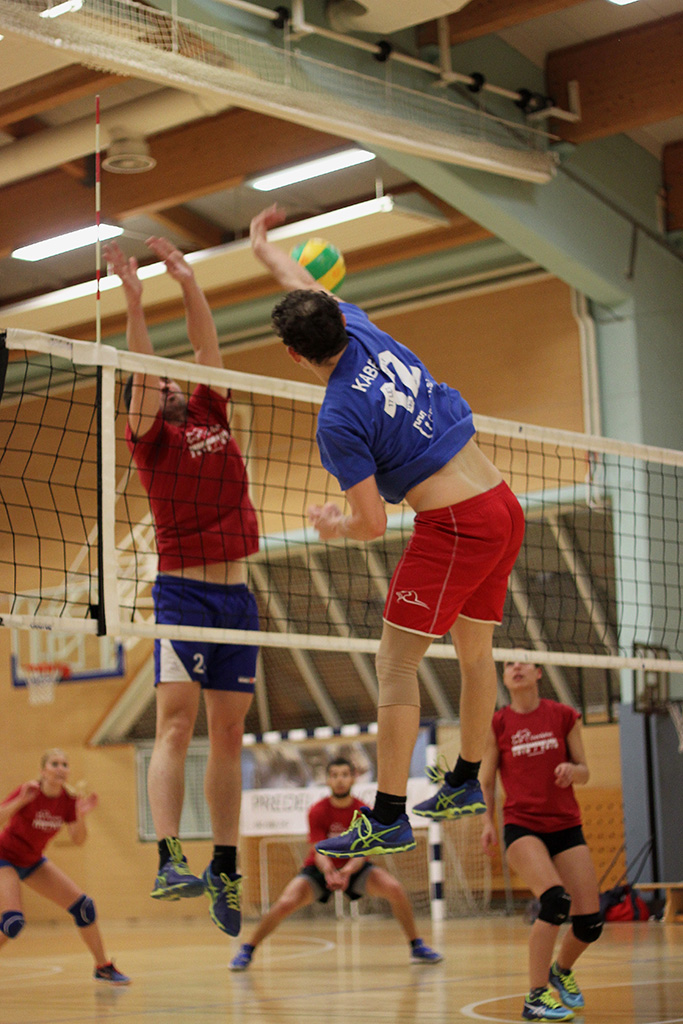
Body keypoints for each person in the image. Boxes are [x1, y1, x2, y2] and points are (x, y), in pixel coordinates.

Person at [250, 205, 524, 859]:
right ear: (337, 314)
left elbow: (372, 524)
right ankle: (464, 780)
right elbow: (305, 285)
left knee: (395, 662)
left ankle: (390, 815)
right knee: (474, 653)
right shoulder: (362, 325)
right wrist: (265, 249)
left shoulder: (337, 419)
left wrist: (333, 525)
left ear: (293, 355)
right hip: (502, 503)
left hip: (456, 526)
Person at [104, 237, 260, 937]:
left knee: (229, 733)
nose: (166, 384)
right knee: (176, 724)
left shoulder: (209, 412)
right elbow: (141, 371)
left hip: (238, 599)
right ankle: (170, 857)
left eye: (170, 382)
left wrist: (188, 281)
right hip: (183, 596)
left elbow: (205, 347)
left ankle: (224, 864)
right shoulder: (149, 440)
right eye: (154, 386)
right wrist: (135, 300)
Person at [228, 757, 442, 971]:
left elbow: (363, 851)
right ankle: (248, 949)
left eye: (344, 775)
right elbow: (318, 849)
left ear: (353, 778)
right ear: (328, 780)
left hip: (354, 868)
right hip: (321, 869)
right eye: (335, 775)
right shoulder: (317, 810)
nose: (340, 780)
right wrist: (329, 871)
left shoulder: (364, 810)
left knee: (395, 889)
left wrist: (347, 871)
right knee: (285, 902)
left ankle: (416, 946)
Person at [479, 660, 602, 1022]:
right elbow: (486, 781)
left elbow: (585, 771)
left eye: (523, 662)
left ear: (538, 673)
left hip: (565, 825)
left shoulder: (563, 715)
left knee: (590, 924)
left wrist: (572, 771)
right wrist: (487, 822)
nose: (516, 667)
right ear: (504, 677)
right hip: (523, 826)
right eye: (508, 664)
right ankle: (535, 997)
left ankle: (561, 970)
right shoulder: (498, 723)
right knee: (554, 900)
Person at [0, 748, 130, 985]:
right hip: (4, 857)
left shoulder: (68, 801)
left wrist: (80, 815)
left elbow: (78, 840)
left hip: (32, 861)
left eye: (64, 764)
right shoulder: (30, 791)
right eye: (55, 764)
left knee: (84, 907)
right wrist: (20, 801)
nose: (60, 768)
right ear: (43, 771)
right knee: (13, 922)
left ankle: (102, 967)